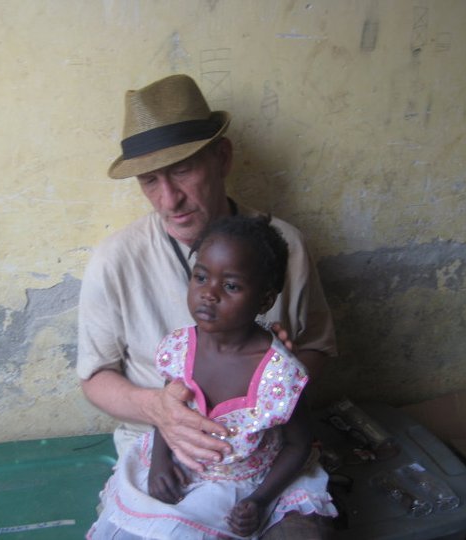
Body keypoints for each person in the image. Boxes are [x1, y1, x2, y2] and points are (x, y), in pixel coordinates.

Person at [77, 74, 337, 538]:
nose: (169, 199)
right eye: (150, 180)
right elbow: (95, 377)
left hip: (265, 456)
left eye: (182, 171)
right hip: (161, 452)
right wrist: (159, 409)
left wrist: (282, 371)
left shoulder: (286, 247)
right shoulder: (115, 260)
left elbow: (319, 348)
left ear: (222, 157)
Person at [87, 215, 337, 539]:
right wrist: (160, 462)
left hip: (253, 480)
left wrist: (259, 500)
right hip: (185, 466)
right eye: (201, 277)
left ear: (265, 300)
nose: (209, 293)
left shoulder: (280, 374)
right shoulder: (180, 348)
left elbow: (298, 444)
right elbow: (168, 411)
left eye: (230, 286)